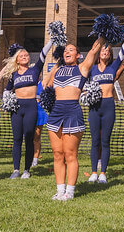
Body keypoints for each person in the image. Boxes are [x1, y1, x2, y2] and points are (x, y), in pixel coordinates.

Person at [41, 37, 105, 201]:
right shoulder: (57, 70)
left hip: (72, 112)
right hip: (56, 112)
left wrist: (103, 33)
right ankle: (59, 189)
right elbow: (45, 86)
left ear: (78, 55)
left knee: (70, 154)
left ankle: (70, 191)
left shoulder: (82, 68)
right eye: (65, 50)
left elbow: (93, 50)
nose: (67, 52)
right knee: (57, 154)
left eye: (71, 50)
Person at [0, 37, 54, 179]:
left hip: (31, 106)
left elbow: (43, 54)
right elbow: (7, 90)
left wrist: (51, 41)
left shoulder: (35, 70)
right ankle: (16, 169)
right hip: (17, 108)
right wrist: (7, 100)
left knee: (29, 137)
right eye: (21, 56)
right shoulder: (14, 75)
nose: (24, 57)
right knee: (17, 139)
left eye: (26, 55)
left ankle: (27, 170)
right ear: (17, 59)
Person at [87, 35, 124, 184]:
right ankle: (93, 172)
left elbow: (123, 50)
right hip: (95, 106)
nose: (105, 52)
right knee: (95, 140)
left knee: (105, 140)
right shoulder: (91, 69)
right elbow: (82, 84)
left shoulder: (113, 67)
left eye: (108, 51)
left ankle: (103, 173)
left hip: (108, 105)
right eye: (103, 50)